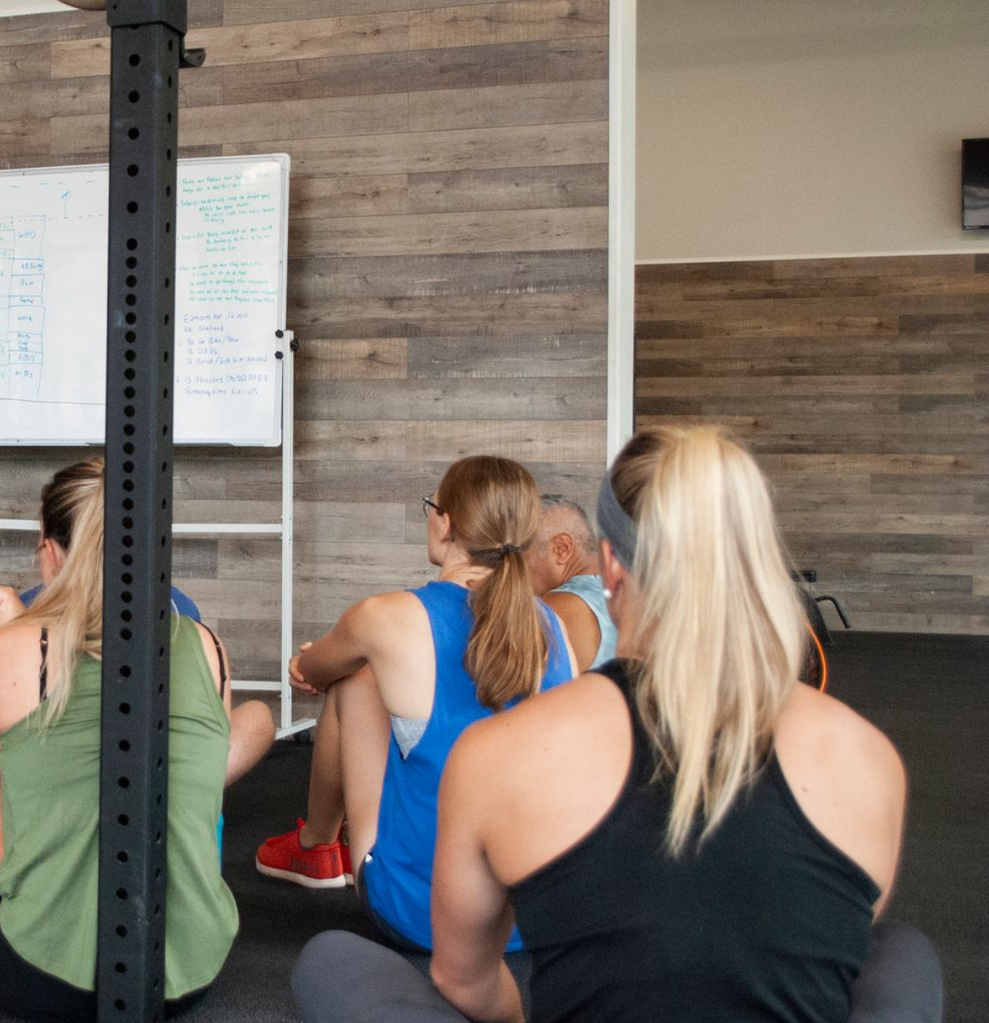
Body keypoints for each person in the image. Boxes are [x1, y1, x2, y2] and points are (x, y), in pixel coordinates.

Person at [291, 427, 942, 1023]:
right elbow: (821, 947)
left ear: (608, 569)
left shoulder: (496, 753)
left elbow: (466, 985)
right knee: (902, 950)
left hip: (485, 943)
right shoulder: (868, 757)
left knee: (331, 960)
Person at [0, 460, 272, 1018]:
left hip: (37, 978)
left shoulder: (4, 653)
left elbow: (1, 775)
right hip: (186, 977)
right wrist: (21, 626)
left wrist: (9, 634)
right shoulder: (209, 646)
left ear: (50, 552)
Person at [256, 456, 574, 956]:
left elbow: (312, 672)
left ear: (445, 522)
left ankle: (316, 846)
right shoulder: (555, 629)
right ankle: (318, 845)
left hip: (420, 916)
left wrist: (315, 665)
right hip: (533, 919)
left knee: (356, 678)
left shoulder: (387, 616)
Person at [530, 494, 616, 670]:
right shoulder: (625, 589)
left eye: (519, 556)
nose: (509, 570)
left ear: (561, 548)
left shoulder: (559, 608)